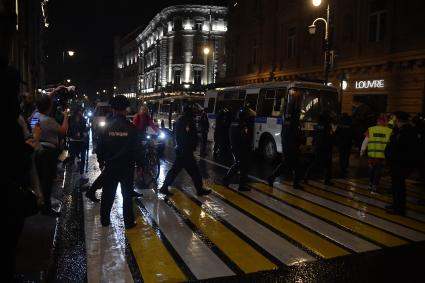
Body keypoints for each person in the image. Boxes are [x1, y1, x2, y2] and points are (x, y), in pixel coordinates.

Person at [96, 95, 137, 229]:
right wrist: (141, 163)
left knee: (108, 194)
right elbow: (137, 148)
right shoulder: (132, 128)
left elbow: (100, 146)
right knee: (127, 195)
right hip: (127, 167)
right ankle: (129, 222)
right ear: (125, 110)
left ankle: (105, 220)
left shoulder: (106, 127)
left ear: (113, 109)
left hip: (111, 166)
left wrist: (101, 160)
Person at [159, 105, 211, 196]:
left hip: (183, 151)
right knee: (192, 171)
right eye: (193, 111)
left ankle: (199, 189)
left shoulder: (183, 119)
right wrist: (188, 148)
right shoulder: (186, 121)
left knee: (189, 171)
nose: (195, 113)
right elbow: (185, 137)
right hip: (185, 151)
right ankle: (199, 189)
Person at [33, 94, 69, 216]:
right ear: (49, 107)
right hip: (48, 153)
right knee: (47, 182)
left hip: (37, 150)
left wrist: (56, 91)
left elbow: (42, 102)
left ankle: (39, 204)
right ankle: (46, 209)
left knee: (39, 179)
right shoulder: (48, 120)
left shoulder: (35, 116)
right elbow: (63, 130)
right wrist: (65, 116)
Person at [385, 111, 418, 215]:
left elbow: (400, 148)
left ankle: (399, 208)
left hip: (400, 163)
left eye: (393, 117)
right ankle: (396, 204)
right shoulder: (400, 130)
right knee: (396, 185)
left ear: (398, 118)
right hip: (397, 163)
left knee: (398, 186)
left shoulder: (406, 131)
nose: (392, 120)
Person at [267, 110, 304, 189]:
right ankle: (295, 183)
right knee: (296, 165)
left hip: (287, 147)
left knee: (286, 165)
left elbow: (283, 135)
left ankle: (272, 177)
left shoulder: (286, 123)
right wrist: (300, 142)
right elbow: (296, 136)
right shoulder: (294, 125)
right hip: (293, 148)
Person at [223, 106, 255, 191]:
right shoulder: (243, 125)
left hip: (234, 147)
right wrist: (248, 147)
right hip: (241, 149)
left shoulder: (234, 123)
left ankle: (233, 182)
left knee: (238, 164)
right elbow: (244, 138)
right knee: (242, 166)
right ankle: (233, 182)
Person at [360, 114, 392, 193]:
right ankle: (375, 185)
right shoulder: (389, 131)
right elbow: (390, 143)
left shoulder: (371, 129)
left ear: (377, 121)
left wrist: (362, 151)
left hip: (372, 154)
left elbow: (365, 141)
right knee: (378, 170)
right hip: (382, 155)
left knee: (371, 168)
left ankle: (370, 183)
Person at [304, 111, 335, 186]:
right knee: (327, 164)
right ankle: (327, 180)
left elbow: (315, 136)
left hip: (318, 147)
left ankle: (306, 176)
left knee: (316, 163)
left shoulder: (317, 126)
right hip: (325, 148)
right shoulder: (327, 126)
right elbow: (329, 137)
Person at [67, 106, 89, 185]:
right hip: (73, 140)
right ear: (77, 111)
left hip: (81, 141)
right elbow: (68, 128)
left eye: (82, 111)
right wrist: (69, 135)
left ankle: (81, 173)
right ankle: (72, 172)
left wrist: (84, 132)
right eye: (80, 111)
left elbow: (85, 128)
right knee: (73, 156)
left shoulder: (83, 119)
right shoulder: (70, 119)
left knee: (83, 156)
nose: (81, 112)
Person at [335, 113, 354, 178]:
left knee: (341, 154)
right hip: (348, 143)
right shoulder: (350, 125)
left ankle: (342, 166)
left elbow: (336, 133)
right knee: (346, 155)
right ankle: (345, 167)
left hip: (341, 143)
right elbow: (352, 134)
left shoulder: (340, 125)